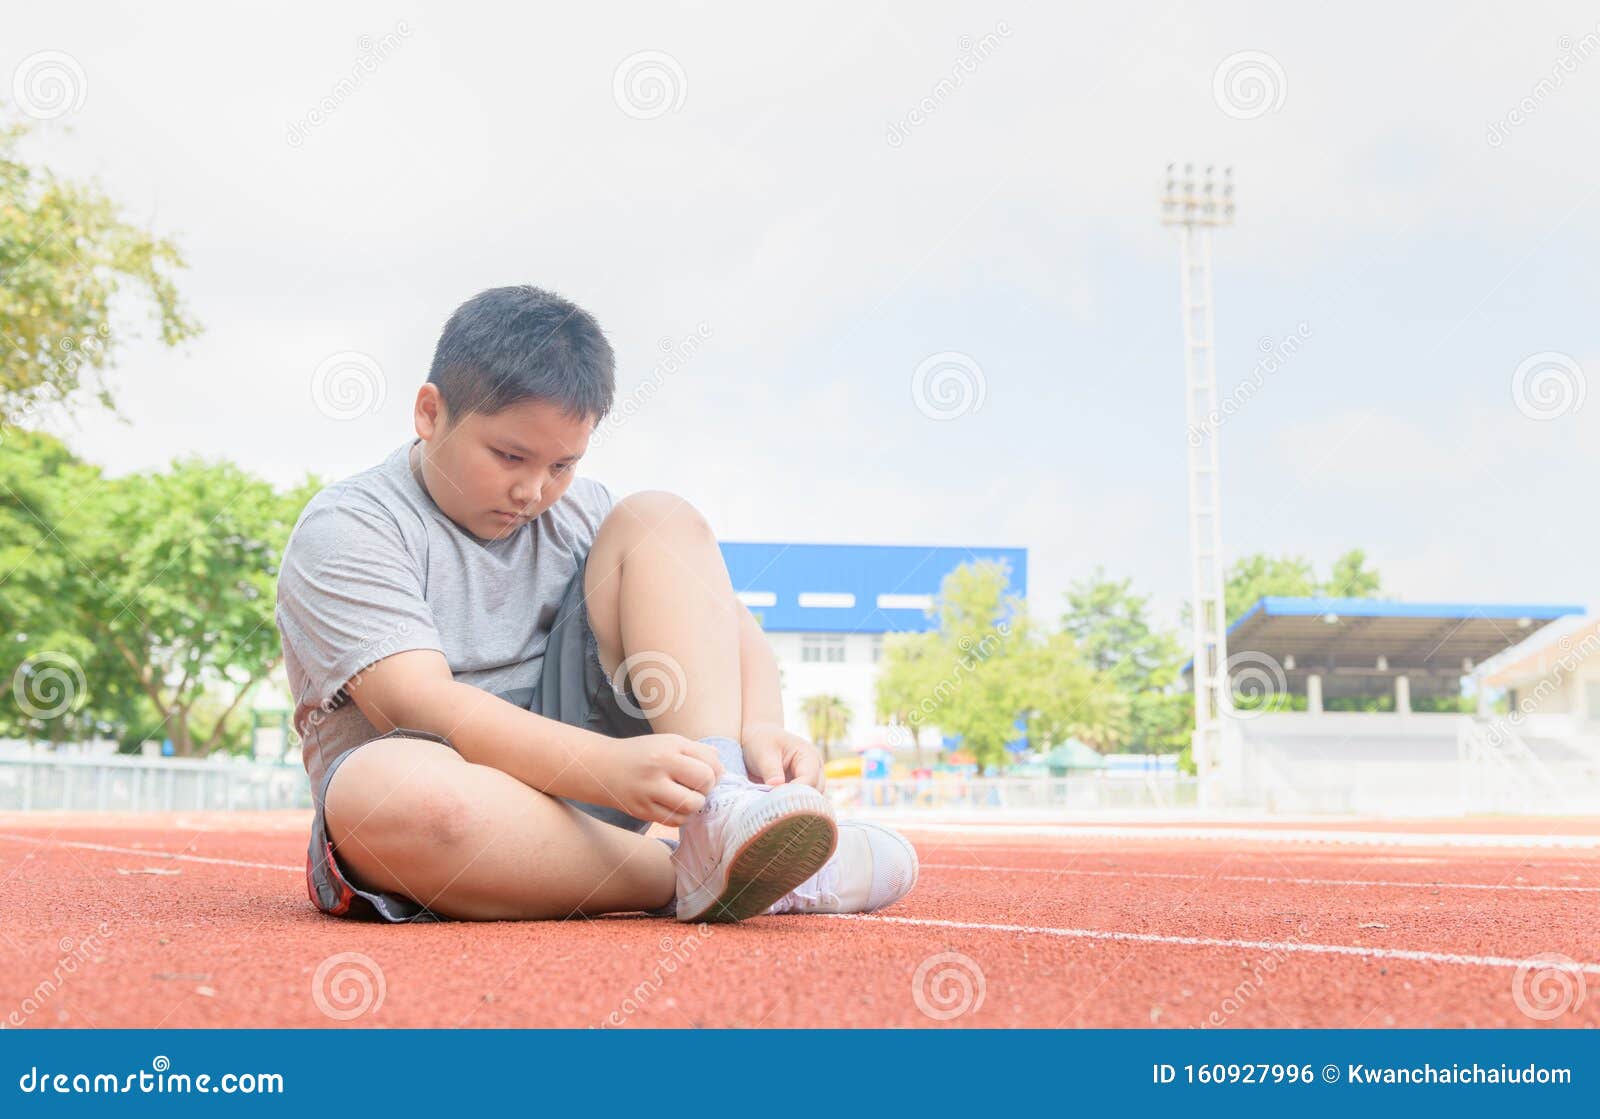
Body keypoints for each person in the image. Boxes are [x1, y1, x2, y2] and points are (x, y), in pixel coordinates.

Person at [277, 285, 918, 923]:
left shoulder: (581, 513)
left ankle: (723, 803)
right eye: (508, 456)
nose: (533, 489)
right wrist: (608, 768)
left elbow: (719, 611)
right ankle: (691, 873)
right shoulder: (351, 527)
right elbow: (420, 704)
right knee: (380, 791)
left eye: (563, 464)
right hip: (458, 812)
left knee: (659, 519)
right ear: (428, 412)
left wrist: (762, 728)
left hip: (592, 798)